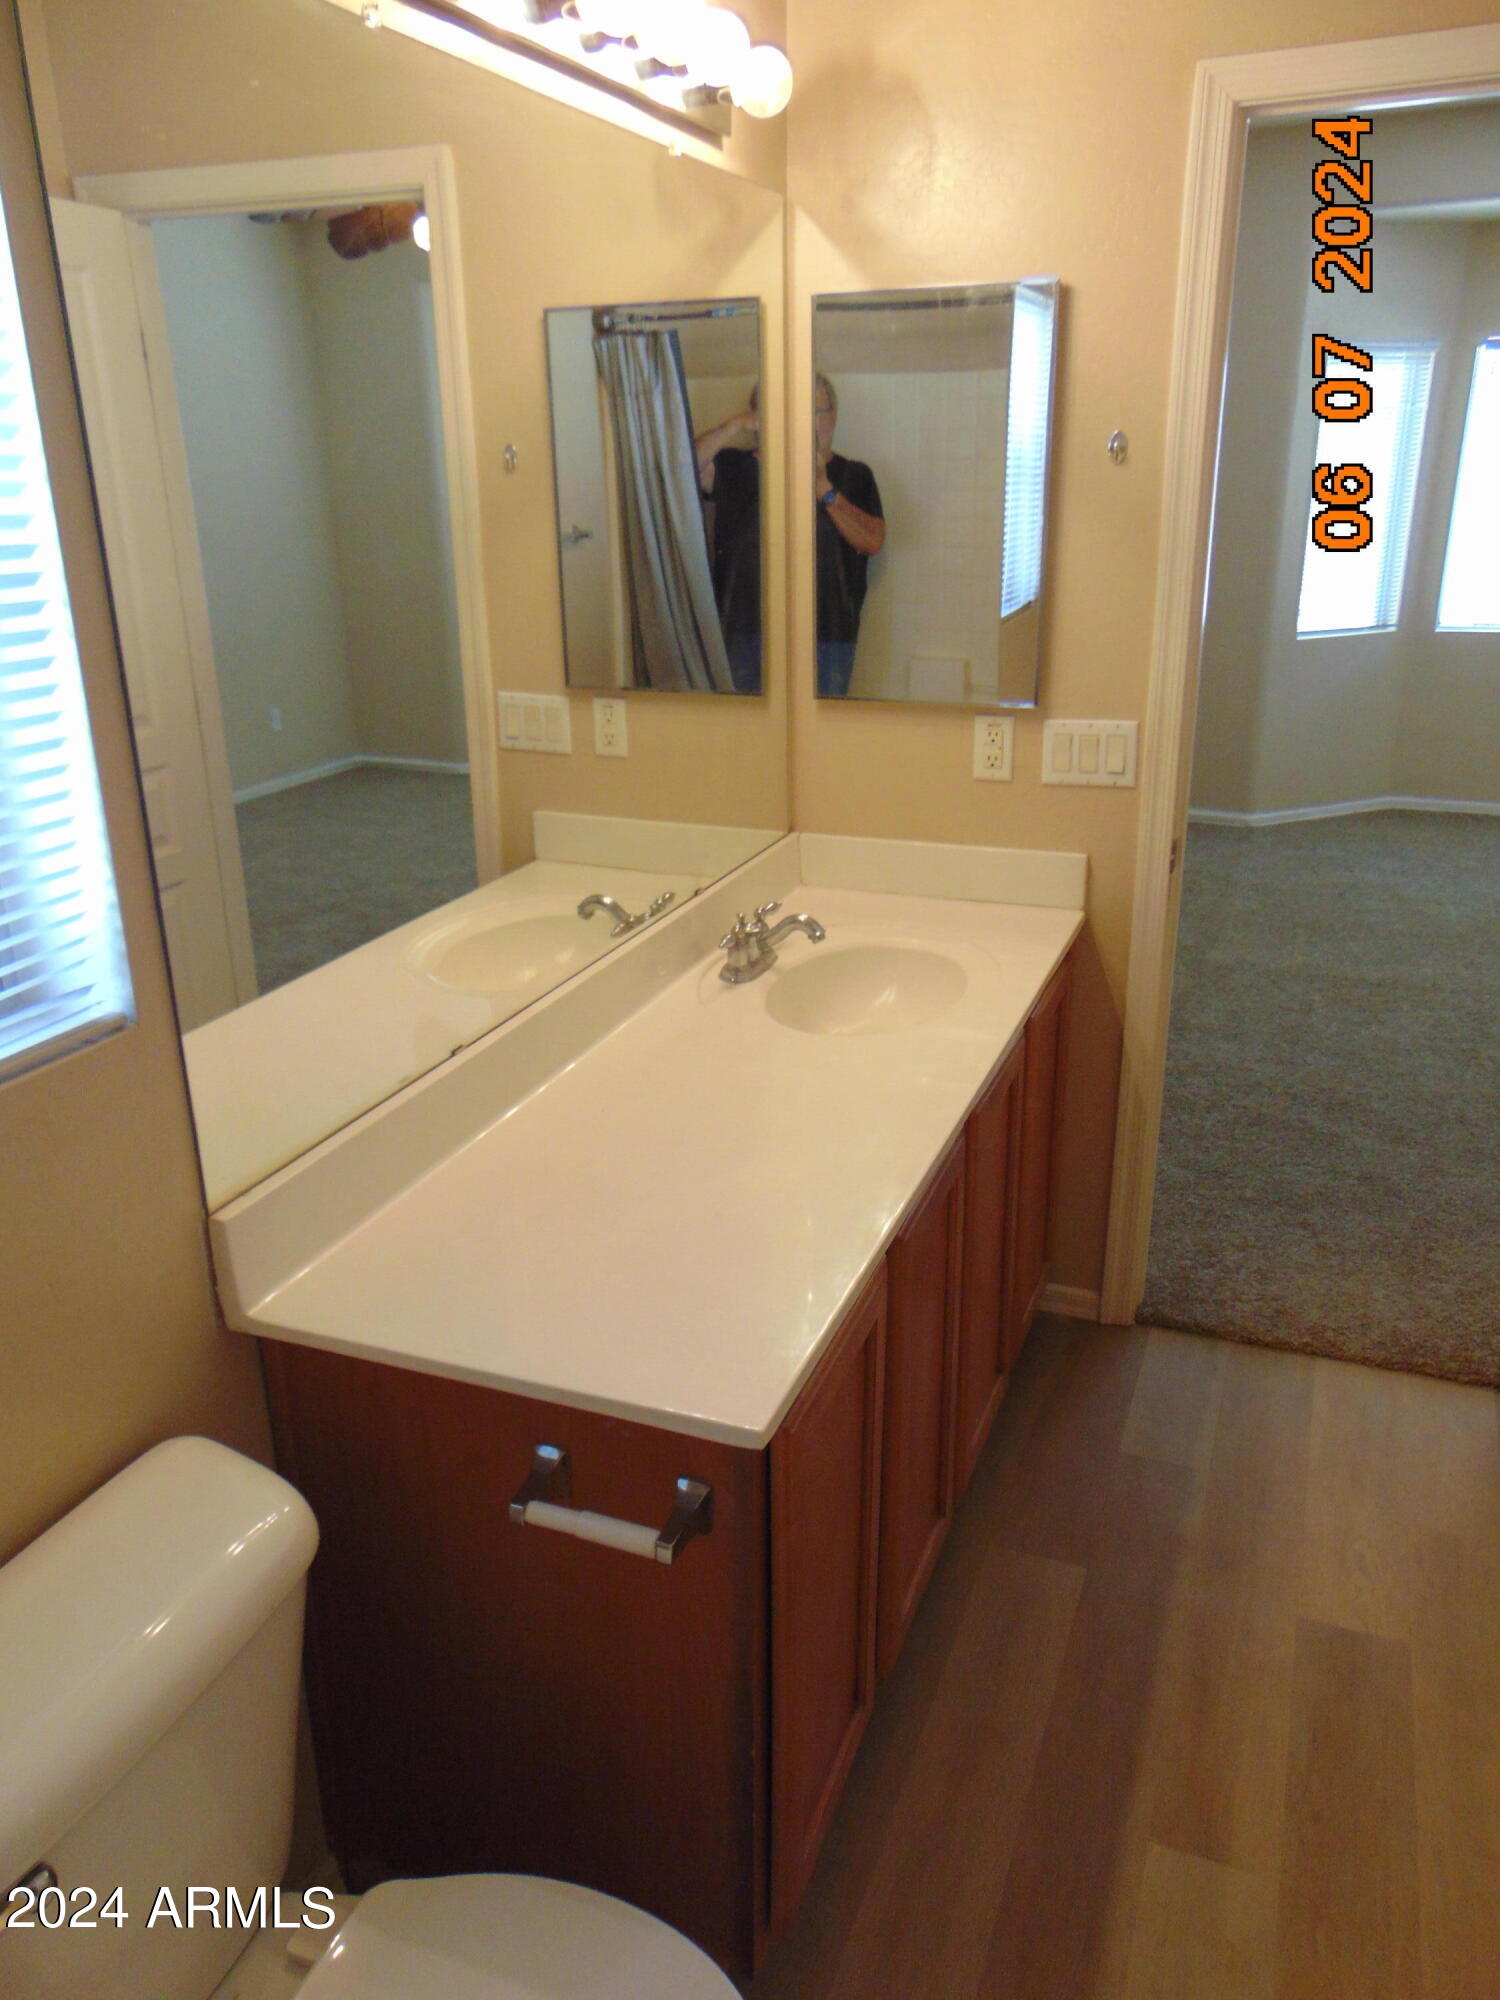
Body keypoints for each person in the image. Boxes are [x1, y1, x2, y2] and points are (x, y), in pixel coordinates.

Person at [813, 372, 885, 698]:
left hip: (833, 631)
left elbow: (873, 541)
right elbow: (678, 472)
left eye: (818, 412)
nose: (810, 423)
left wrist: (827, 492)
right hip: (754, 632)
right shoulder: (753, 468)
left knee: (827, 728)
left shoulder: (856, 475)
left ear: (834, 417)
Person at [695, 391, 763, 694]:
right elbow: (683, 468)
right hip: (740, 622)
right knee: (742, 724)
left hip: (817, 626)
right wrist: (733, 425)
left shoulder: (826, 473)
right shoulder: (732, 464)